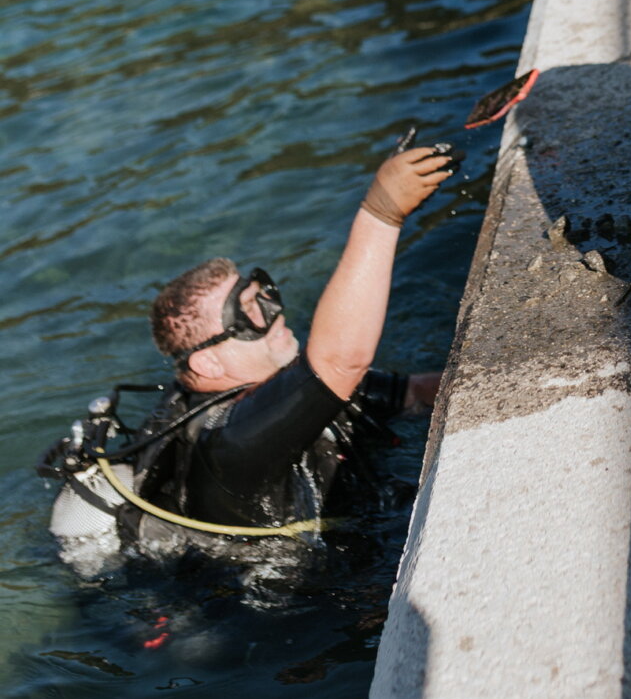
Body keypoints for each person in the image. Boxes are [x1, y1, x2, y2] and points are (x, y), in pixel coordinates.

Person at [131, 142, 456, 533]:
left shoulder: (276, 383)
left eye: (263, 296)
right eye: (249, 312)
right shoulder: (225, 443)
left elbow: (416, 394)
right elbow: (340, 361)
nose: (275, 313)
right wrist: (382, 212)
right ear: (207, 362)